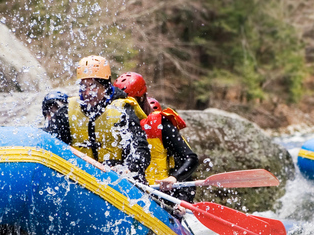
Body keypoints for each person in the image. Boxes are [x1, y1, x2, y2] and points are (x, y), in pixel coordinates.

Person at [45, 56, 151, 182]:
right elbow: (49, 140)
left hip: (116, 180)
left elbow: (141, 149)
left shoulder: (122, 110)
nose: (88, 92)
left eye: (93, 86)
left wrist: (129, 168)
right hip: (82, 179)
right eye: (84, 86)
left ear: (105, 86)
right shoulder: (67, 112)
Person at [114, 71, 199, 201]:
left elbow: (190, 158)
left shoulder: (161, 125)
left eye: (129, 103)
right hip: (132, 193)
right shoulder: (116, 123)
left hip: (162, 196)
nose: (125, 108)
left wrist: (173, 178)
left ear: (141, 98)